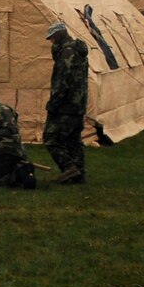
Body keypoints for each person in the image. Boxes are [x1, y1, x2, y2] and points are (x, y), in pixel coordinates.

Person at [44, 20, 90, 185]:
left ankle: (69, 167)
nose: (51, 42)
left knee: (50, 138)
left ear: (58, 35)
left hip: (66, 105)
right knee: (72, 139)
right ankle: (79, 174)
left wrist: (53, 103)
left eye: (52, 38)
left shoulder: (67, 52)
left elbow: (63, 81)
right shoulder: (78, 51)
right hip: (78, 104)